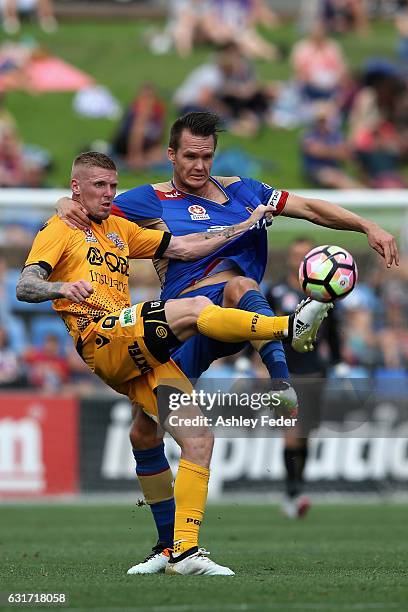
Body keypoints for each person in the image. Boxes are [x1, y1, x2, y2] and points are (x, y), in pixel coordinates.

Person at [58, 112, 398, 574]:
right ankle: (167, 546)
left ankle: (281, 382)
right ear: (171, 155)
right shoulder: (150, 199)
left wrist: (366, 226)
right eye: (190, 156)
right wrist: (64, 201)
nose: (199, 166)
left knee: (236, 283)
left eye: (207, 156)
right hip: (177, 330)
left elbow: (312, 209)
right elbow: (92, 206)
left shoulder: (245, 192)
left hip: (232, 316)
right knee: (144, 430)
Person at [17, 151, 331, 577]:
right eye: (99, 186)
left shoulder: (119, 230)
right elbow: (26, 285)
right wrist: (59, 288)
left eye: (113, 186)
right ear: (76, 188)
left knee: (199, 438)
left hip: (134, 353)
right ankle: (286, 328)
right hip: (101, 335)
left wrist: (244, 224)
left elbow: (184, 246)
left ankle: (180, 551)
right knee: (194, 306)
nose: (109, 194)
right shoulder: (61, 228)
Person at [267, 237, 341, 519]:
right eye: (296, 254)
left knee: (305, 435)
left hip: (314, 373)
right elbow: (263, 330)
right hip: (284, 372)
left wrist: (337, 362)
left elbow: (334, 330)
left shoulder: (325, 292)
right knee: (290, 433)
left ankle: (297, 489)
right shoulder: (276, 291)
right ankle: (292, 492)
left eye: (304, 255)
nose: (299, 259)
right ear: (290, 259)